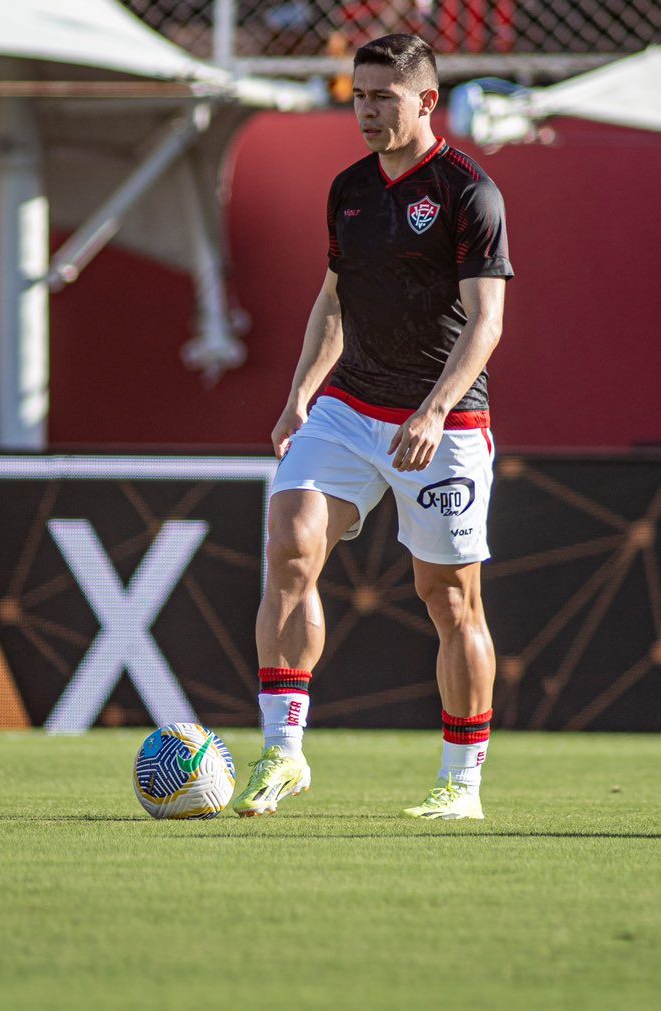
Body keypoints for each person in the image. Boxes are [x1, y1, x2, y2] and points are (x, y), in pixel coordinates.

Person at [233, 33, 514, 820]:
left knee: (450, 600)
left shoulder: (470, 194)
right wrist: (299, 397)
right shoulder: (350, 189)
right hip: (349, 409)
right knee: (290, 540)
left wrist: (432, 409)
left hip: (444, 422)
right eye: (357, 95)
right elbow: (334, 302)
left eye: (382, 97)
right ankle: (283, 755)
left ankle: (462, 783)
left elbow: (486, 323)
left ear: (426, 101)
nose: (364, 111)